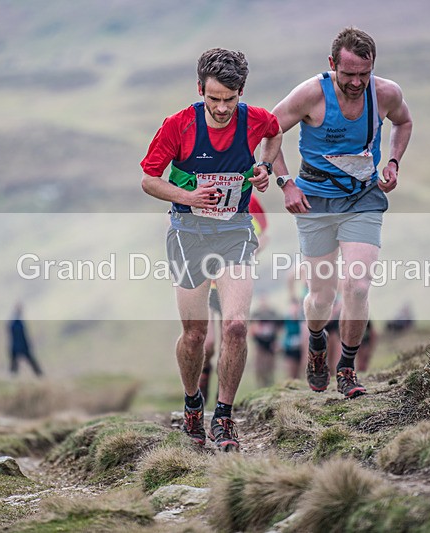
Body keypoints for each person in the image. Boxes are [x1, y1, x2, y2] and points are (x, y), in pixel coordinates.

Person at [140, 48, 282, 451]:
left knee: (236, 325)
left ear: (241, 93)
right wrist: (188, 197)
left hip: (235, 232)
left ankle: (224, 418)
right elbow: (149, 180)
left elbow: (276, 132)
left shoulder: (254, 118)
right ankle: (191, 405)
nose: (221, 108)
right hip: (187, 233)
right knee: (196, 334)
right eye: (213, 98)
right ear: (200, 88)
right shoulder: (178, 125)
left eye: (230, 100)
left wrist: (265, 167)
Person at [271, 27, 413, 398]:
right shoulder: (310, 94)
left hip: (363, 198)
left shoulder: (385, 93)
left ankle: (347, 367)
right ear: (332, 64)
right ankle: (317, 341)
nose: (355, 82)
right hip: (314, 202)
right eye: (347, 74)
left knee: (358, 286)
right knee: (321, 296)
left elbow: (404, 121)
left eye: (363, 74)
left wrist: (394, 162)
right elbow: (268, 132)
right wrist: (286, 183)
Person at [200, 195, 270, 406]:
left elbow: (264, 234)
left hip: (231, 278)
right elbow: (172, 220)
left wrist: (249, 253)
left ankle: (220, 401)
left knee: (229, 338)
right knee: (208, 344)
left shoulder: (250, 199)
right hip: (203, 279)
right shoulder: (200, 183)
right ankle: (200, 391)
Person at [248, 295, 282, 388]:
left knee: (270, 366)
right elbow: (251, 329)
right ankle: (260, 385)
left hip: (270, 344)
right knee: (259, 367)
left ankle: (270, 384)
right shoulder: (256, 314)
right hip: (259, 344)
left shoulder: (273, 314)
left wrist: (276, 341)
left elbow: (279, 327)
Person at [8, 303, 42, 377]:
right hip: (19, 346)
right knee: (15, 364)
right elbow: (19, 335)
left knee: (17, 364)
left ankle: (39, 375)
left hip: (19, 346)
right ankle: (39, 375)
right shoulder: (16, 321)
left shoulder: (16, 321)